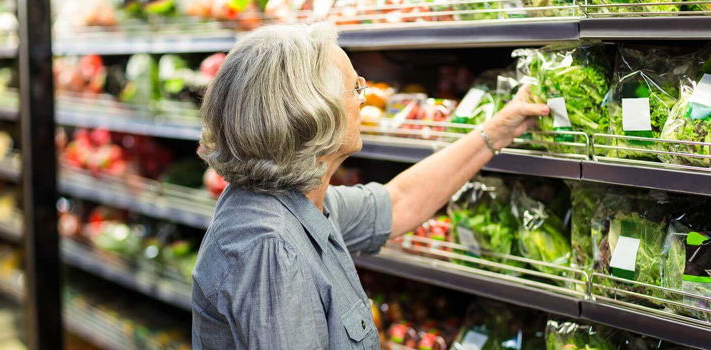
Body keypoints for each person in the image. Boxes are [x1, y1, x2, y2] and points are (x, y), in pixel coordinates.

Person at [192, 22, 550, 349]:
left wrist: (498, 130)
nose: (365, 99)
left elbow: (399, 201)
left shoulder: (295, 201)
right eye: (355, 88)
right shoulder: (271, 249)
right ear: (312, 113)